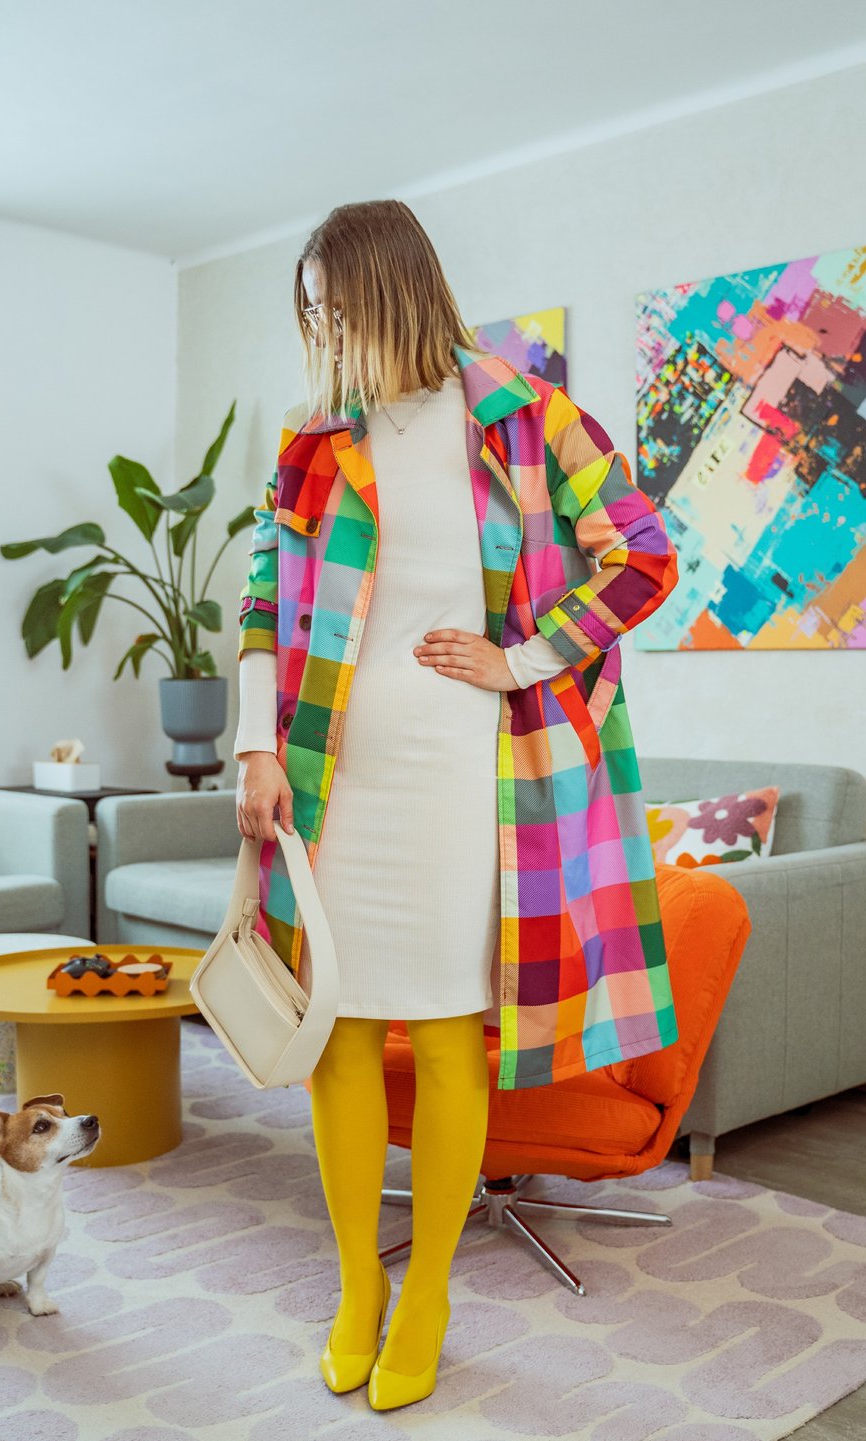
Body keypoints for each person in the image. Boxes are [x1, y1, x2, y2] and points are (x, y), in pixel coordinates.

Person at [233, 200, 678, 1411]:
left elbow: (641, 554)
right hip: (330, 774)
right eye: (311, 313)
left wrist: (521, 657)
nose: (326, 331)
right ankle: (355, 1286)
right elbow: (264, 601)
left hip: (462, 776)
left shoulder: (526, 413)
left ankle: (426, 1287)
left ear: (395, 290)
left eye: (339, 307)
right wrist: (253, 748)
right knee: (334, 1028)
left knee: (438, 1029)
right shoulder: (311, 437)